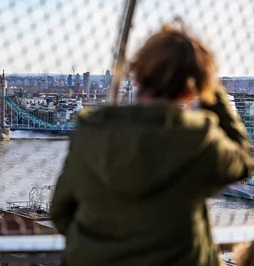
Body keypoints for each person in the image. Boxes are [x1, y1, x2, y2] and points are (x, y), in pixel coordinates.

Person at [51, 24, 254, 266]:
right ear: (193, 87)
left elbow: (61, 212)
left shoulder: (91, 133)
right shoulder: (201, 140)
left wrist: (100, 246)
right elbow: (245, 161)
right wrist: (215, 95)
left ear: (136, 75)